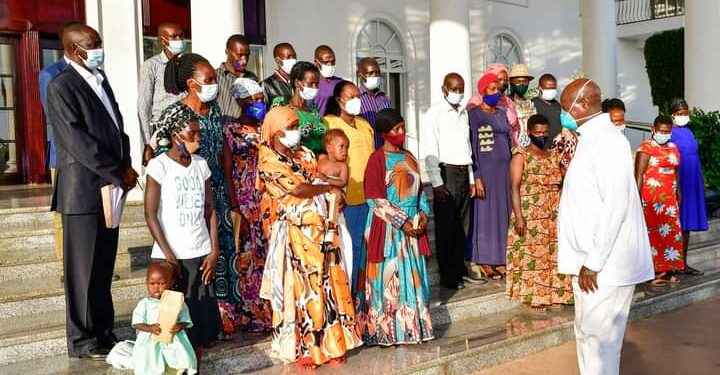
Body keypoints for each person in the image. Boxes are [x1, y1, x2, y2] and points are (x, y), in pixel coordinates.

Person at [46, 23, 138, 358]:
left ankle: (103, 330)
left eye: (98, 42)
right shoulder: (61, 86)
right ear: (72, 49)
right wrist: (117, 171)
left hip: (108, 189)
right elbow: (78, 141)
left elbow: (117, 128)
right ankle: (82, 340)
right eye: (91, 44)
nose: (98, 49)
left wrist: (125, 164)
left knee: (102, 267)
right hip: (82, 193)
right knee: (82, 272)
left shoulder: (100, 78)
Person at [557, 78, 654, 375]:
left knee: (602, 343)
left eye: (565, 108)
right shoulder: (591, 138)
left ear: (585, 104)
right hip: (589, 262)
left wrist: (594, 262)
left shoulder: (610, 141)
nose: (562, 114)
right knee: (587, 335)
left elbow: (616, 204)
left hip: (605, 266)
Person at [257, 107, 361, 370]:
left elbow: (318, 175)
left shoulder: (303, 153)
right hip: (297, 236)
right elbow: (299, 189)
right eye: (290, 128)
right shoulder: (268, 160)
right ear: (277, 132)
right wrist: (329, 187)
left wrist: (334, 190)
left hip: (324, 229)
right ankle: (307, 349)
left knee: (331, 286)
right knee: (305, 291)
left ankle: (335, 343)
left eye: (296, 127)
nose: (296, 132)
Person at [160, 53, 236, 336]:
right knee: (196, 261)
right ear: (192, 83)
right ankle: (191, 323)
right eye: (209, 80)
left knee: (222, 254)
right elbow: (162, 156)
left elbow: (223, 146)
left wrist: (229, 185)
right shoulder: (174, 114)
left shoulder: (214, 109)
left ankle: (221, 320)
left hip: (216, 188)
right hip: (190, 195)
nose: (214, 84)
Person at [144, 102, 221, 367]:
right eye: (193, 134)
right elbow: (150, 215)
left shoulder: (201, 165)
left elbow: (210, 209)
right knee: (173, 322)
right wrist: (168, 256)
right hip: (172, 256)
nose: (198, 138)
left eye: (199, 133)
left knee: (199, 322)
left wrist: (214, 249)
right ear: (177, 135)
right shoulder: (159, 166)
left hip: (199, 252)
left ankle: (195, 367)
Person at [362, 108, 434, 346]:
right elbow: (374, 199)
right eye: (396, 129)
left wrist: (423, 213)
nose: (401, 132)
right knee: (389, 282)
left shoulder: (409, 156)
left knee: (413, 280)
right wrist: (401, 222)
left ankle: (414, 329)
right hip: (389, 229)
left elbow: (420, 190)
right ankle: (389, 333)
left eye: (403, 127)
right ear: (384, 133)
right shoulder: (377, 160)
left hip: (413, 227)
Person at [507, 114, 573, 310]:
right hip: (531, 212)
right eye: (538, 132)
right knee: (533, 255)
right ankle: (534, 296)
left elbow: (562, 182)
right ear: (529, 132)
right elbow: (515, 186)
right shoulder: (521, 154)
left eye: (545, 132)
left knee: (554, 252)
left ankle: (557, 293)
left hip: (553, 210)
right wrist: (519, 215)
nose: (542, 135)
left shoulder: (554, 155)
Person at [221, 77, 271, 333]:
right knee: (247, 258)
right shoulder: (231, 130)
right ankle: (248, 314)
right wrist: (234, 205)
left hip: (267, 199)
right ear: (240, 101)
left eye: (261, 98)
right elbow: (227, 171)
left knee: (267, 256)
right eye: (253, 100)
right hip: (243, 199)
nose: (258, 103)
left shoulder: (269, 127)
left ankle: (269, 312)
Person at [420, 72, 475, 289]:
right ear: (444, 89)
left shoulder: (463, 112)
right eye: (454, 88)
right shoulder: (435, 113)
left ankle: (459, 268)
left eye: (461, 89)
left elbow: (466, 146)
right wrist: (437, 182)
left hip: (463, 170)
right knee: (446, 227)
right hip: (446, 172)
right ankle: (447, 274)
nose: (458, 93)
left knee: (463, 226)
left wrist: (471, 178)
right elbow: (430, 148)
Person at [323, 80, 375, 300]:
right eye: (350, 97)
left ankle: (364, 296)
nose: (355, 101)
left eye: (358, 97)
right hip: (349, 196)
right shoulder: (329, 122)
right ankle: (350, 296)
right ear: (338, 100)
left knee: (368, 247)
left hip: (370, 195)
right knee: (351, 248)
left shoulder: (364, 124)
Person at [39, 21, 82, 283]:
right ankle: (67, 267)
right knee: (64, 216)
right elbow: (56, 117)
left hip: (93, 160)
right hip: (64, 156)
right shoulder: (51, 74)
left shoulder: (94, 72)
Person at [466, 73, 512, 280]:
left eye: (497, 89)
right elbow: (473, 146)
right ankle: (485, 259)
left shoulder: (501, 113)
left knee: (503, 213)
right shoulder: (474, 114)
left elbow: (510, 141)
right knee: (486, 215)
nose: (495, 93)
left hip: (504, 172)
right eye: (491, 89)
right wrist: (476, 176)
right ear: (482, 91)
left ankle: (501, 257)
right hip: (486, 171)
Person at [635, 115, 685, 286]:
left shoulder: (673, 147)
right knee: (653, 236)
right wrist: (637, 197)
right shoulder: (646, 147)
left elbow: (676, 171)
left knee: (671, 234)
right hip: (650, 199)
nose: (664, 134)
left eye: (667, 131)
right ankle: (651, 273)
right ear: (653, 129)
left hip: (669, 199)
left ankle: (669, 269)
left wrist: (678, 190)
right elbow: (639, 174)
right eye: (661, 131)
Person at [132, 261, 197, 375]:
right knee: (152, 365)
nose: (156, 287)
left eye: (161, 283)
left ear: (171, 282)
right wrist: (149, 328)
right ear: (146, 283)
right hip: (151, 342)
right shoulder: (145, 303)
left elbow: (186, 320)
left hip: (173, 341)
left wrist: (179, 326)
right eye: (152, 284)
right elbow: (137, 323)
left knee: (176, 365)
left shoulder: (177, 301)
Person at [138, 21, 187, 166]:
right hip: (162, 131)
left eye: (181, 36)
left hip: (188, 129)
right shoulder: (151, 66)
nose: (179, 40)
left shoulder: (189, 64)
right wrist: (147, 143)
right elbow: (143, 107)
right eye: (174, 37)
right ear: (162, 41)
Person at [670, 98, 708, 276]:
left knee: (687, 223)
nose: (683, 116)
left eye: (685, 113)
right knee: (675, 223)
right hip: (678, 180)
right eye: (679, 114)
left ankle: (683, 263)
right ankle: (670, 263)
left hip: (693, 181)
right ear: (672, 115)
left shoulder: (689, 132)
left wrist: (701, 178)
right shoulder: (668, 132)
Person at [316, 129, 353, 275]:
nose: (345, 151)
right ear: (329, 148)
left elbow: (343, 182)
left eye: (347, 148)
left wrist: (326, 180)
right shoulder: (320, 158)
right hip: (320, 205)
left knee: (338, 235)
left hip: (335, 207)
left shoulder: (342, 166)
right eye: (342, 146)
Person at [286, 61, 327, 155]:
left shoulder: (314, 110)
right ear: (297, 83)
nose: (315, 87)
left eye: (317, 84)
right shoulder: (287, 110)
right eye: (311, 83)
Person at [467, 63, 518, 140]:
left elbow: (515, 127)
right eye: (499, 79)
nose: (503, 83)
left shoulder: (508, 102)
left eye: (506, 80)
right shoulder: (476, 100)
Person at [215, 34, 259, 123]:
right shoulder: (214, 77)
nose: (244, 60)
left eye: (247, 55)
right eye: (240, 55)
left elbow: (256, 109)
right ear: (227, 52)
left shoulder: (251, 78)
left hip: (247, 132)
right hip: (223, 133)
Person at [357, 57, 392, 148]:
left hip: (385, 150)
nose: (375, 76)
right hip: (367, 151)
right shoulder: (356, 98)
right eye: (371, 73)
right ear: (361, 76)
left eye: (377, 73)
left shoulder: (384, 97)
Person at [508, 63, 537, 148]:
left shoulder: (531, 103)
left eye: (525, 81)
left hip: (530, 148)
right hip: (513, 148)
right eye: (518, 82)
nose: (522, 84)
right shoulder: (507, 102)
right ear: (511, 83)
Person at [531, 73, 562, 146]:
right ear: (540, 88)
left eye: (553, 88)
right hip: (541, 148)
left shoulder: (557, 105)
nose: (551, 90)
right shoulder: (532, 104)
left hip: (556, 147)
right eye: (548, 88)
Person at [262, 42, 296, 107]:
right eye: (288, 57)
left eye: (294, 56)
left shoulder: (298, 82)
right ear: (278, 61)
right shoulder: (267, 85)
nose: (293, 60)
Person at [312, 45, 343, 116]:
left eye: (332, 61)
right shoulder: (311, 84)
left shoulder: (341, 83)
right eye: (326, 62)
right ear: (316, 63)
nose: (330, 64)